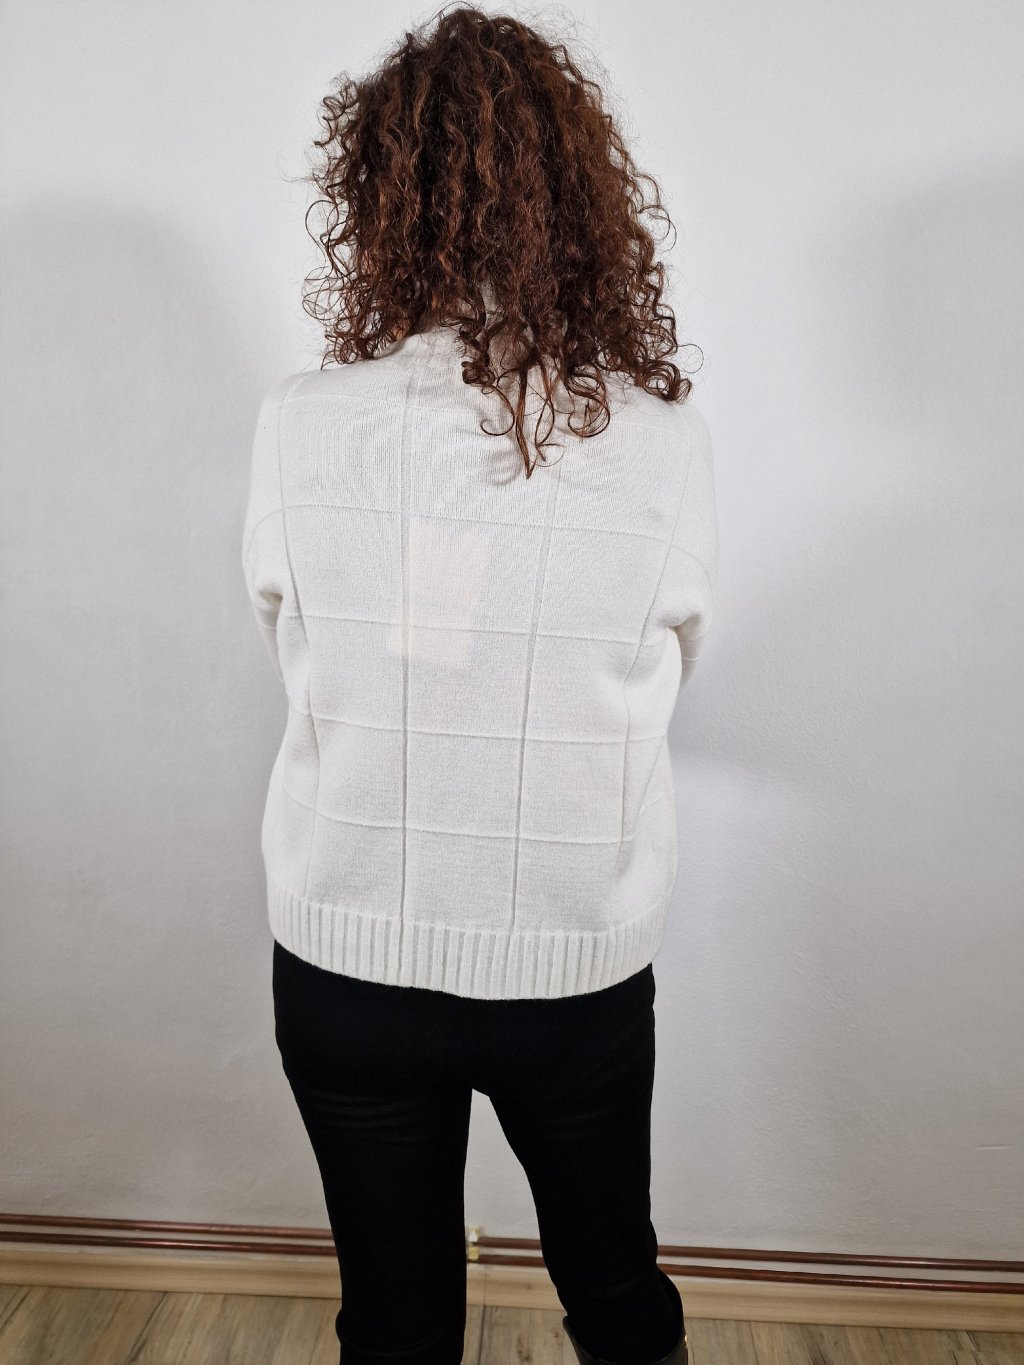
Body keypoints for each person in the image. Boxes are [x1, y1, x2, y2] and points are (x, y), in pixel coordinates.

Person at [241, 7, 717, 1363]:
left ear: (378, 196)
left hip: (347, 959)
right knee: (616, 1294)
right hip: (571, 961)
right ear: (581, 195)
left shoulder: (303, 423)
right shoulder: (661, 441)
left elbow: (294, 633)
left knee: (393, 1321)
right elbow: (671, 655)